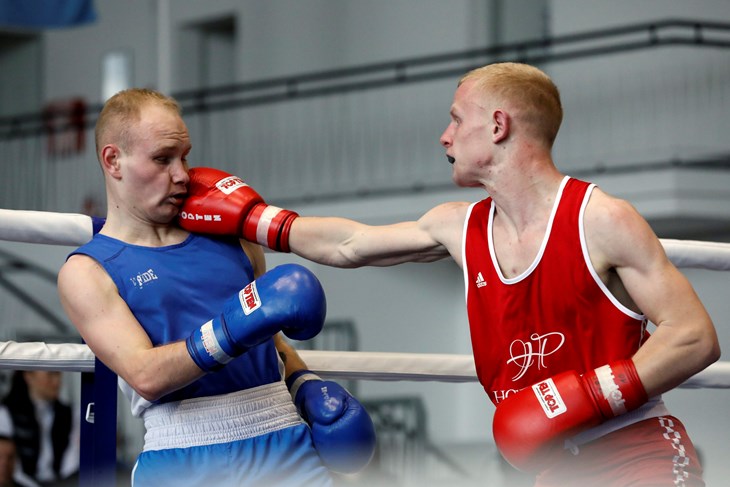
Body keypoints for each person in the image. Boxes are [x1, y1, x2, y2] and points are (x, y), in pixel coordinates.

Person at [178, 62, 721, 486]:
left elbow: (694, 336)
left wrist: (579, 397)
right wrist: (256, 219)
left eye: (457, 119)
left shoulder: (600, 219)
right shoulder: (459, 227)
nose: (445, 135)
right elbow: (350, 244)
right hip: (554, 469)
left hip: (637, 455)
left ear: (499, 125)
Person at [55, 88, 375, 486]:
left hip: (282, 439)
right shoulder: (89, 270)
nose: (182, 174)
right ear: (113, 159)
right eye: (162, 158)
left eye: (184, 156)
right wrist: (229, 328)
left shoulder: (230, 238)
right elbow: (145, 374)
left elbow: (269, 337)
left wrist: (304, 383)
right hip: (181, 452)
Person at [2, 371, 79, 486]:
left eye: (58, 375)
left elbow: (72, 457)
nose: (57, 382)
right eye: (51, 375)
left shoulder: (71, 414)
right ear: (29, 376)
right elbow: (8, 461)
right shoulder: (6, 413)